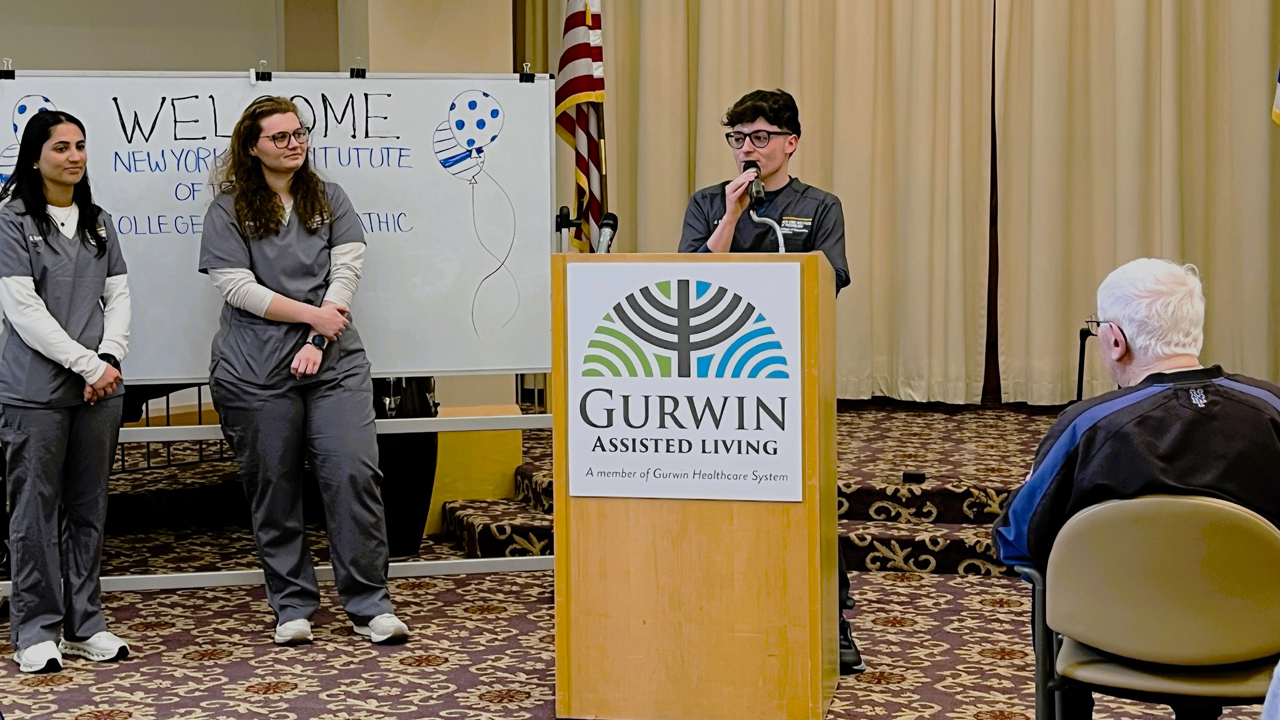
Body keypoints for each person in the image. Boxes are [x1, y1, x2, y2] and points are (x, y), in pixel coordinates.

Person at [994, 258, 1280, 720]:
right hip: (1261, 643)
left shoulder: (1087, 426)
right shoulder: (1274, 410)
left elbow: (1018, 540)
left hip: (1112, 640)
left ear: (1115, 339)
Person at [199, 96, 408, 646]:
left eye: (299, 133)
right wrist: (309, 316)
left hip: (333, 364)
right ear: (252, 146)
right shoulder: (228, 208)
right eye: (280, 137)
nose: (294, 144)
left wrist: (317, 334)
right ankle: (291, 604)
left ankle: (369, 604)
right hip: (254, 369)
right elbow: (236, 287)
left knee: (353, 475)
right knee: (274, 485)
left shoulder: (330, 197)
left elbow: (347, 273)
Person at [677, 88, 862, 675]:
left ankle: (834, 626)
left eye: (760, 138)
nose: (747, 150)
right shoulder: (709, 203)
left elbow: (828, 279)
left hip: (790, 373)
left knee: (807, 498)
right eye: (737, 139)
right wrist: (731, 216)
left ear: (791, 143)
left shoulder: (820, 205)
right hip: (715, 376)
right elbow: (691, 284)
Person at [0, 110, 132, 672]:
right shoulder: (11, 222)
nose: (74, 156)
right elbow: (24, 310)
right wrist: (84, 363)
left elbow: (120, 297)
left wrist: (110, 359)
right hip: (36, 390)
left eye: (80, 146)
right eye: (61, 148)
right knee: (34, 512)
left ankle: (85, 625)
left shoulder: (99, 221)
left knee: (88, 509)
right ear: (35, 157)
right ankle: (35, 629)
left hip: (98, 389)